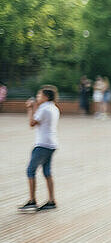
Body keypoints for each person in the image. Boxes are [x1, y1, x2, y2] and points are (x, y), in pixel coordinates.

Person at [18, 85, 60, 213]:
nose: (37, 97)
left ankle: (32, 200)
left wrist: (30, 108)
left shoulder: (44, 108)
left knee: (30, 171)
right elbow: (41, 119)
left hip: (42, 144)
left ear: (46, 97)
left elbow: (32, 123)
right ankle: (51, 201)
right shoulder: (53, 108)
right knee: (47, 172)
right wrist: (36, 107)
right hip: (52, 144)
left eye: (39, 95)